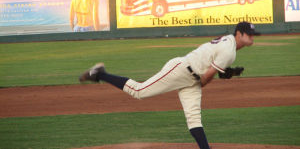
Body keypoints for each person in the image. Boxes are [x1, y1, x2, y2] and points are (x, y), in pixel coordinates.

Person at [79, 21, 260, 149]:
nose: (252, 37)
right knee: (139, 91)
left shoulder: (228, 41)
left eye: (253, 35)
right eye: (250, 34)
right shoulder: (229, 50)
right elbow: (206, 79)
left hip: (192, 78)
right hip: (181, 70)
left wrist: (228, 72)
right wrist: (225, 73)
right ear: (239, 34)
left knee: (194, 117)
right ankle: (100, 73)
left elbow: (210, 67)